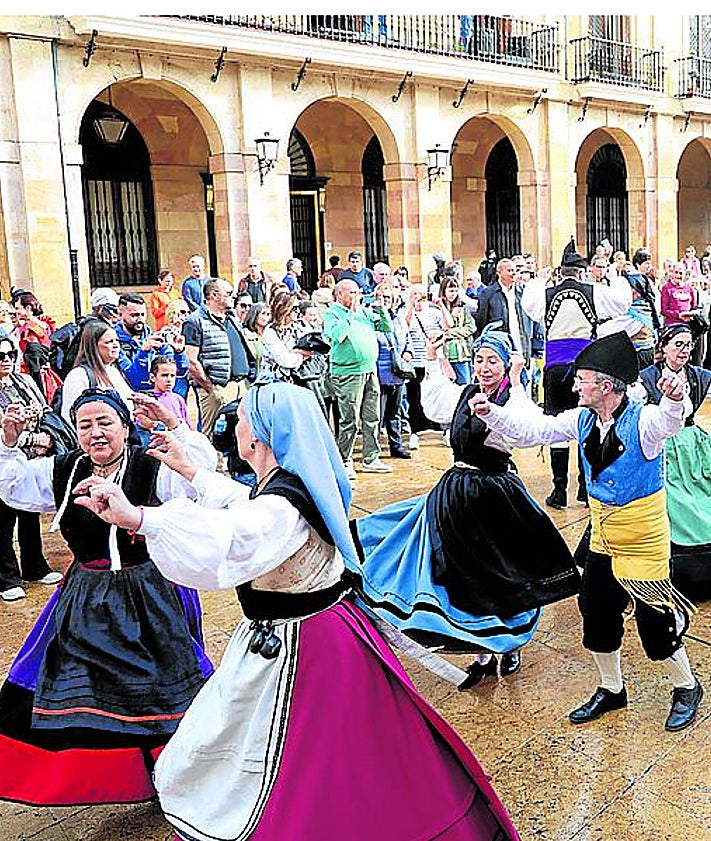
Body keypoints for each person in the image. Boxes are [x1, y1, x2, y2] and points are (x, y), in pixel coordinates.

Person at [73, 381, 521, 841]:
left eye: (243, 417)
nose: (237, 424)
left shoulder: (282, 503)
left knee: (309, 761)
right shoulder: (289, 484)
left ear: (260, 436)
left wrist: (141, 519)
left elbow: (235, 533)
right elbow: (242, 505)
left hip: (304, 646)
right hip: (321, 632)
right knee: (336, 755)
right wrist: (190, 470)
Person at [471, 332, 704, 732]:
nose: (574, 385)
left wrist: (674, 397)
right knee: (595, 609)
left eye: (582, 379)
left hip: (643, 539)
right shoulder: (581, 419)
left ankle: (687, 685)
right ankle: (612, 688)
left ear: (606, 386)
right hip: (603, 536)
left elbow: (670, 422)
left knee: (654, 620)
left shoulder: (644, 419)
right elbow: (537, 430)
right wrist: (492, 414)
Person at [0, 389, 216, 805]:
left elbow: (201, 476)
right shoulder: (65, 469)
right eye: (85, 425)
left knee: (161, 688)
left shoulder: (150, 465)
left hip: (151, 594)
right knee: (80, 684)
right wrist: (9, 442)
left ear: (125, 426)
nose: (96, 433)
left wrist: (173, 426)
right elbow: (13, 486)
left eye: (105, 423)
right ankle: (121, 777)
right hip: (86, 597)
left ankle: (183, 773)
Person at [352, 327, 579, 686]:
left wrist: (514, 387)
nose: (484, 367)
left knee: (499, 573)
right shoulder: (464, 393)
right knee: (462, 574)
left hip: (494, 496)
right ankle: (482, 653)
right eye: (479, 360)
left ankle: (509, 643)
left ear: (505, 365)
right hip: (455, 494)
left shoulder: (512, 400)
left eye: (493, 361)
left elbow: (527, 430)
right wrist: (432, 357)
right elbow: (435, 401)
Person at [521, 244, 632, 509]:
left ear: (560, 274)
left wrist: (541, 277)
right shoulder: (594, 292)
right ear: (582, 274)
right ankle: (585, 488)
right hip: (585, 372)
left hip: (554, 370)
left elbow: (528, 301)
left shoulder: (546, 295)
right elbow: (622, 301)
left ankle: (559, 490)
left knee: (557, 427)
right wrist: (614, 274)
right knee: (586, 425)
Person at [639, 325, 711, 599]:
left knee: (701, 495)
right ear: (664, 346)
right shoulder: (647, 378)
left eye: (689, 345)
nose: (684, 350)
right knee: (670, 499)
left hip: (694, 445)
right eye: (678, 344)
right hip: (664, 443)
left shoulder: (700, 376)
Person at [0, 336, 61, 601]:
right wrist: (32, 438)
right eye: (0, 356)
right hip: (3, 460)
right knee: (2, 521)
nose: (5, 360)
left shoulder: (23, 381)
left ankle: (34, 566)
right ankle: (6, 578)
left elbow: (43, 409)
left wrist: (45, 438)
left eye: (10, 354)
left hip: (31, 458)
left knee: (29, 512)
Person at [323, 279, 392, 478]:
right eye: (352, 292)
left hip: (370, 370)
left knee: (372, 416)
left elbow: (386, 328)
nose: (356, 296)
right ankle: (345, 460)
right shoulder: (332, 313)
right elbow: (337, 336)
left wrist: (381, 308)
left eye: (357, 292)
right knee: (349, 419)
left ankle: (371, 458)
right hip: (347, 373)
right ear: (340, 294)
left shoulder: (363, 311)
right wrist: (351, 314)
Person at [182, 277, 252, 439]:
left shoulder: (231, 318)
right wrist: (210, 388)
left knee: (241, 434)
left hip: (240, 385)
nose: (233, 297)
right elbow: (191, 360)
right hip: (216, 387)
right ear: (214, 295)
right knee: (214, 435)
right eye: (228, 293)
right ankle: (214, 466)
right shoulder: (194, 321)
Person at [59, 320, 133, 422]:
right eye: (109, 342)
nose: (116, 345)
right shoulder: (78, 376)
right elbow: (70, 417)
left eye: (117, 340)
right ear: (94, 346)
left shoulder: (113, 371)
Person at [372, 283, 411, 459]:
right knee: (376, 415)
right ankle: (373, 451)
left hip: (398, 373)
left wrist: (408, 353)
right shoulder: (373, 319)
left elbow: (407, 340)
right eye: (380, 297)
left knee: (395, 413)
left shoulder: (399, 319)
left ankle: (396, 446)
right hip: (380, 374)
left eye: (387, 297)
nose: (384, 301)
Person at [259, 290, 313, 383]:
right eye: (294, 308)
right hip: (275, 381)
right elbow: (285, 361)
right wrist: (303, 355)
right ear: (284, 309)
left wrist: (296, 351)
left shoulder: (300, 326)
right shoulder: (271, 331)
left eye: (298, 307)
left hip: (301, 378)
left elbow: (315, 349)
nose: (298, 311)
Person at [437, 276, 475, 385]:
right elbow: (441, 328)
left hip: (461, 353)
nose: (453, 293)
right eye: (450, 290)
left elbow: (469, 328)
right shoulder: (437, 308)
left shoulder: (462, 308)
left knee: (465, 384)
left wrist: (450, 333)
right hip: (443, 354)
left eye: (455, 290)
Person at [149, 354, 192, 428]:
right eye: (164, 375)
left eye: (172, 376)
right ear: (153, 377)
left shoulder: (178, 399)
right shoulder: (147, 400)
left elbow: (188, 427)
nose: (169, 380)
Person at [242, 302, 270, 383]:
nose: (265, 318)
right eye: (263, 314)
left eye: (268, 314)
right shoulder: (246, 334)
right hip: (251, 380)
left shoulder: (270, 335)